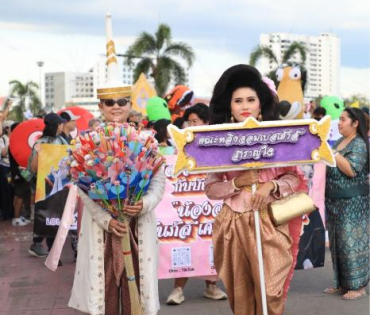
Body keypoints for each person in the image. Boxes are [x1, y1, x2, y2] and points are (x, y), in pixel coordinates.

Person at [68, 16, 166, 313]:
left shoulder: (147, 140)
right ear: (100, 106)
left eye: (122, 101)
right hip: (103, 227)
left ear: (130, 104)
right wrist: (106, 218)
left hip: (138, 224)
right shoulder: (87, 143)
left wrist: (144, 204)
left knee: (138, 288)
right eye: (110, 102)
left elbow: (159, 182)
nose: (116, 107)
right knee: (106, 290)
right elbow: (84, 187)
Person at [205, 64, 307, 315]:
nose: (245, 105)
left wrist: (270, 185)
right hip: (232, 225)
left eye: (251, 99)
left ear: (261, 103)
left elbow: (294, 179)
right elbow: (210, 189)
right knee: (240, 293)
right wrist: (236, 184)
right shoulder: (217, 142)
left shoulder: (280, 138)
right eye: (238, 100)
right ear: (230, 106)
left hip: (270, 222)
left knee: (271, 291)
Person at [166, 103, 227, 305]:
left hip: (210, 206)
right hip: (186, 208)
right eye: (189, 121)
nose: (190, 125)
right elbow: (173, 170)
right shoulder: (181, 145)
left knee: (211, 243)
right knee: (184, 243)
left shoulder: (217, 146)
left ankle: (211, 286)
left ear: (206, 122)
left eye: (195, 121)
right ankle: (177, 289)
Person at [324, 107, 369, 300]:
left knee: (352, 244)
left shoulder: (359, 144)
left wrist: (332, 152)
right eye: (339, 119)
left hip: (353, 202)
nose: (339, 123)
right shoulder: (341, 141)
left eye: (343, 119)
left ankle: (358, 287)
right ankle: (342, 284)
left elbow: (352, 170)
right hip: (335, 200)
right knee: (337, 243)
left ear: (355, 123)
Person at [28, 113, 68, 257]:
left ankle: (51, 249)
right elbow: (33, 168)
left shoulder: (62, 140)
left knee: (56, 214)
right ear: (58, 125)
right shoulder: (41, 142)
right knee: (44, 214)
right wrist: (39, 153)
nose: (63, 125)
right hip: (44, 186)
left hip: (61, 185)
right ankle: (37, 243)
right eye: (61, 123)